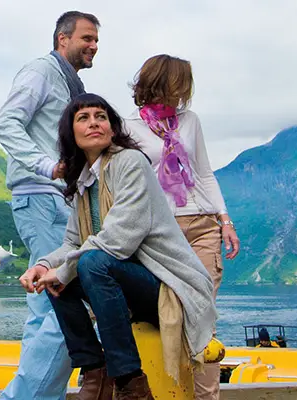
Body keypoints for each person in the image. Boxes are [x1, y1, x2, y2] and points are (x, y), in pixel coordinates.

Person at [22, 93, 218, 400]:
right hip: (124, 281)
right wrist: (44, 266)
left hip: (167, 286)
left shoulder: (130, 163)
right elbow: (73, 243)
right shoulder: (84, 180)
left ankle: (130, 382)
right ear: (70, 133)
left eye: (101, 117)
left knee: (88, 264)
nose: (93, 123)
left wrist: (63, 270)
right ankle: (94, 372)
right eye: (83, 118)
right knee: (60, 279)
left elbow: (119, 240)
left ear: (113, 128)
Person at [0, 11, 100, 400]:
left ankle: (31, 392)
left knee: (43, 308)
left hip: (57, 199)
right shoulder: (40, 71)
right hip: (40, 196)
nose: (93, 46)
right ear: (62, 39)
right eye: (86, 38)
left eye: (96, 41)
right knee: (63, 302)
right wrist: (47, 167)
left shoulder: (71, 85)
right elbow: (6, 123)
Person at [122, 53, 236, 400]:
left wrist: (225, 219)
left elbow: (203, 172)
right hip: (158, 231)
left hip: (201, 224)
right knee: (160, 316)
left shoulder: (190, 121)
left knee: (203, 318)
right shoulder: (128, 127)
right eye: (179, 85)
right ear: (160, 82)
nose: (183, 95)